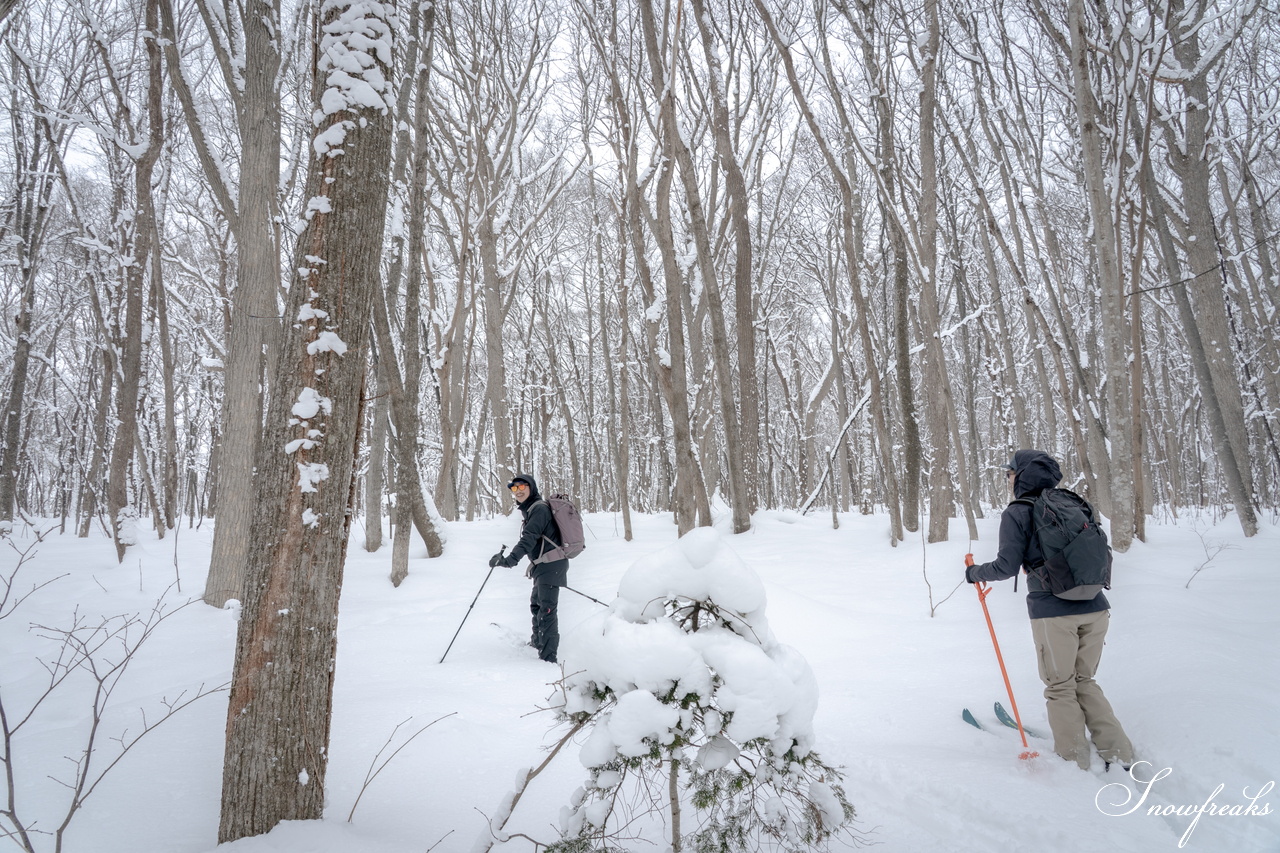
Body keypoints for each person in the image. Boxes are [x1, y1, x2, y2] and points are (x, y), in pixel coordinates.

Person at [965, 449, 1134, 771]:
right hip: (1096, 607)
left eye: (1009, 473)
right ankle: (1120, 753)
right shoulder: (1074, 503)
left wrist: (974, 573)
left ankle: (1073, 762)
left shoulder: (1018, 511)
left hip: (1054, 612)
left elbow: (1005, 567)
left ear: (1021, 475)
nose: (1007, 478)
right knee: (1084, 680)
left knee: (1060, 686)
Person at [490, 473, 568, 664]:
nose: (518, 491)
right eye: (514, 488)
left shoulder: (539, 509)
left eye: (522, 487)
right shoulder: (532, 509)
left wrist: (510, 560)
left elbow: (528, 538)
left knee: (547, 611)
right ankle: (537, 642)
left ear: (531, 487)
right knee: (537, 605)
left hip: (552, 565)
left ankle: (548, 657)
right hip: (542, 566)